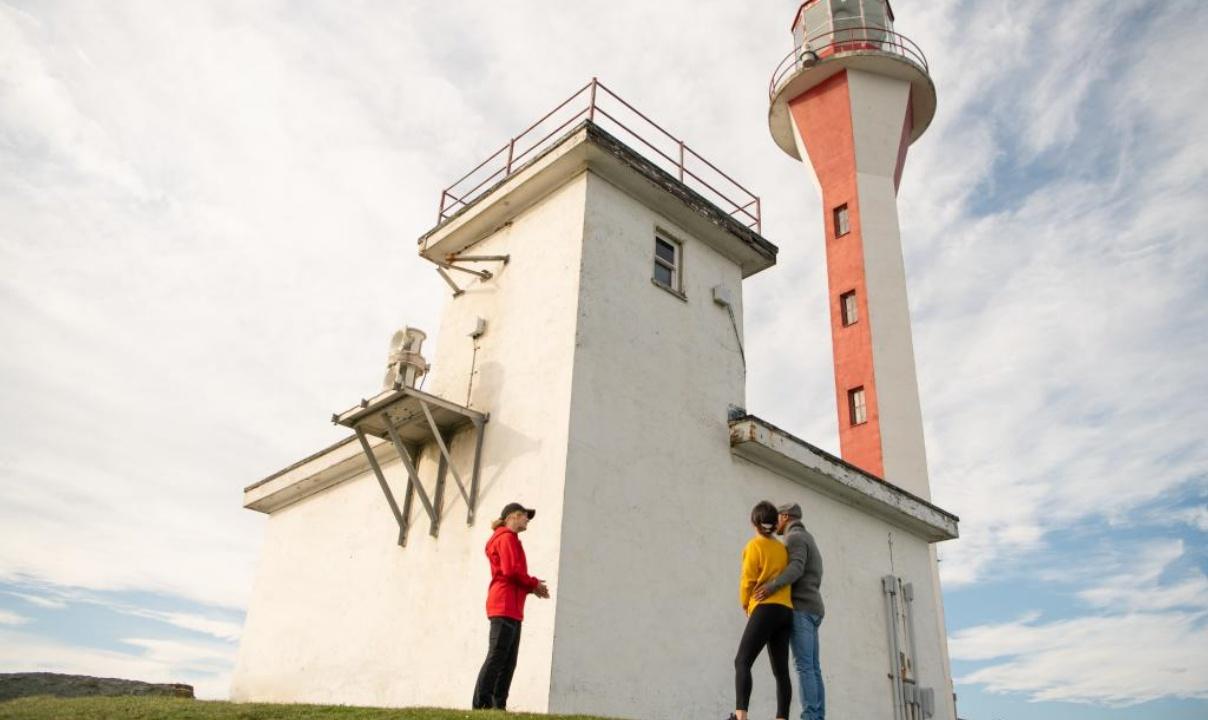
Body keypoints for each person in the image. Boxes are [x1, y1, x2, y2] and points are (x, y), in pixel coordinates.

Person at [471, 502, 550, 710]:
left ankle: (498, 705)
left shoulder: (511, 539)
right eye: (524, 516)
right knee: (498, 655)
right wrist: (533, 584)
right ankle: (482, 704)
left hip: (512, 606)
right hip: (503, 604)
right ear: (512, 517)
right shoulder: (506, 538)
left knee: (508, 660)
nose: (527, 520)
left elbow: (513, 573)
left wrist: (531, 587)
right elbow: (510, 570)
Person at [754, 502, 825, 720]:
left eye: (778, 518)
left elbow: (796, 568)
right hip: (813, 608)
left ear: (785, 516)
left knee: (804, 667)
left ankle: (810, 716)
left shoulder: (794, 538)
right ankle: (817, 715)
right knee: (813, 668)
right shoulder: (808, 537)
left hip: (802, 609)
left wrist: (771, 586)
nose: (775, 524)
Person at [728, 501, 795, 720]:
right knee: (781, 671)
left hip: (765, 609)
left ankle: (741, 717)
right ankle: (781, 717)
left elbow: (747, 580)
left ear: (754, 523)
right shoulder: (783, 549)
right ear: (775, 524)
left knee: (742, 661)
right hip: (786, 610)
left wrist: (745, 603)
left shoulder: (754, 546)